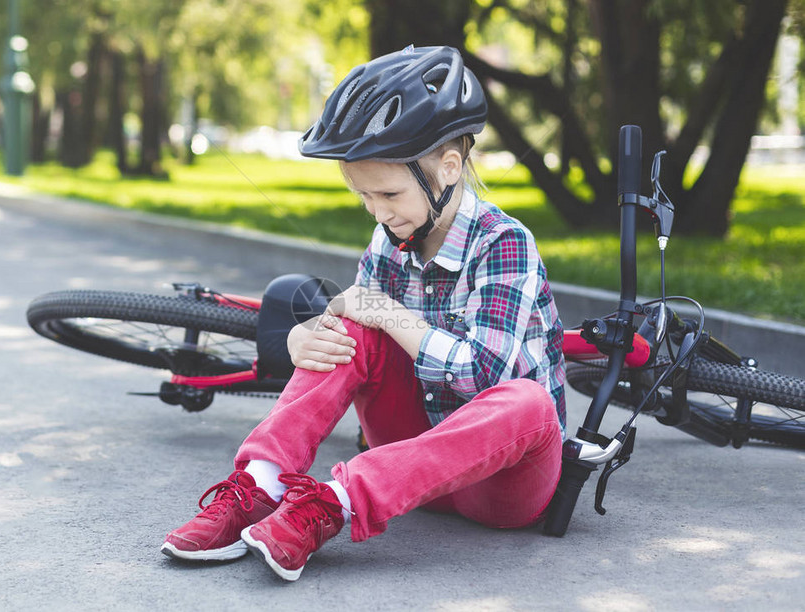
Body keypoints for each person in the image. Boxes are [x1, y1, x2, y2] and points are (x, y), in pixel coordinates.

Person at [161, 45, 566, 582]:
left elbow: (484, 374)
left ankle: (333, 504)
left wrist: (380, 309)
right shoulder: (388, 239)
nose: (377, 212)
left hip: (498, 486)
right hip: (413, 462)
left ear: (447, 168)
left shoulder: (504, 243)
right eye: (364, 198)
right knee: (352, 325)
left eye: (389, 193)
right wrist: (308, 340)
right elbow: (360, 327)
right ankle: (261, 485)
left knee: (528, 402)